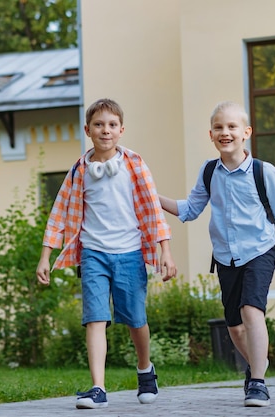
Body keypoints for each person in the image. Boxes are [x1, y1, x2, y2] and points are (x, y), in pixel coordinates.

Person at [158, 101, 275, 407]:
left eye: (232, 127)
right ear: (211, 134)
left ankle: (258, 383)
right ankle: (255, 367)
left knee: (251, 311)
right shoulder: (209, 171)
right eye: (219, 127)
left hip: (260, 250)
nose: (225, 132)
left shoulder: (264, 172)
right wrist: (152, 196)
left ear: (246, 133)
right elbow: (190, 210)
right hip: (226, 257)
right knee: (234, 327)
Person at [36, 98, 177, 409]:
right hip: (94, 254)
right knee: (95, 319)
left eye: (112, 125)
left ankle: (145, 369)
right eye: (99, 124)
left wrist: (165, 251)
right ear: (88, 130)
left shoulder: (134, 165)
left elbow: (153, 209)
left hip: (129, 253)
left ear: (121, 130)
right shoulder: (79, 171)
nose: (105, 130)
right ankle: (98, 388)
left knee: (135, 319)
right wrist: (45, 256)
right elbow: (58, 213)